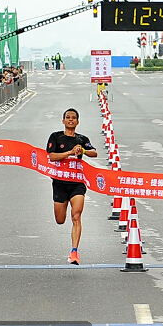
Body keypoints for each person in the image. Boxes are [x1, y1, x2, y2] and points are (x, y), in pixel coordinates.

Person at [46, 108, 97, 265]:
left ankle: (74, 252)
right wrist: (69, 153)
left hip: (77, 183)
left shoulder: (82, 139)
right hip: (60, 183)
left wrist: (83, 150)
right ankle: (63, 206)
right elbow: (51, 156)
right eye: (67, 117)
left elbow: (94, 152)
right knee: (60, 220)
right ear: (63, 121)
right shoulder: (55, 137)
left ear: (77, 121)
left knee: (76, 216)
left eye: (73, 118)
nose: (70, 120)